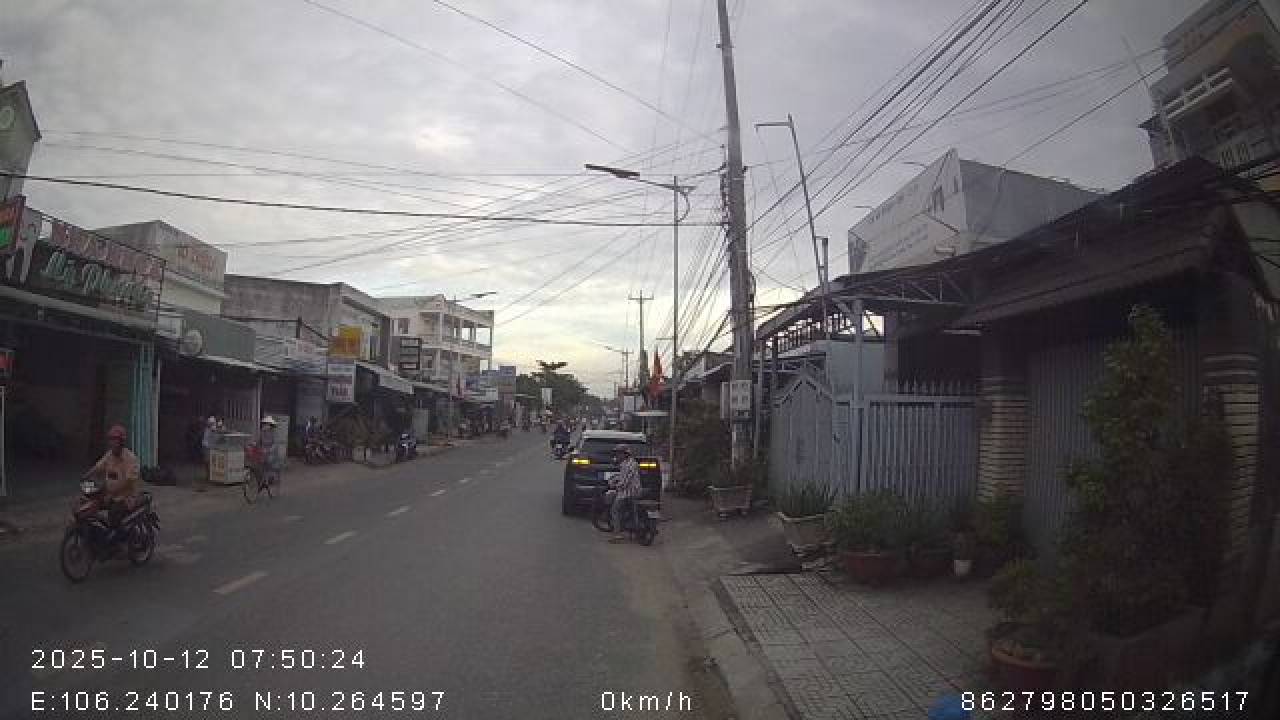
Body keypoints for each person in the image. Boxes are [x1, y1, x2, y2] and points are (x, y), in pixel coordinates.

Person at [82, 424, 141, 531]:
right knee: (88, 505)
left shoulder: (130, 459)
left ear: (121, 442)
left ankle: (120, 539)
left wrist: (112, 493)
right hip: (110, 494)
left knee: (114, 515)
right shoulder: (110, 455)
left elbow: (128, 481)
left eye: (115, 440)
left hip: (125, 498)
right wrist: (86, 476)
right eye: (111, 440)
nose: (112, 443)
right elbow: (98, 467)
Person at [607, 444, 642, 543]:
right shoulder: (628, 463)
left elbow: (625, 482)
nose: (617, 456)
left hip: (629, 492)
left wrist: (615, 486)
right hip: (634, 491)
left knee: (615, 510)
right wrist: (614, 479)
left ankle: (617, 535)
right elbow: (622, 476)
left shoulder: (628, 465)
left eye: (619, 454)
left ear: (625, 454)